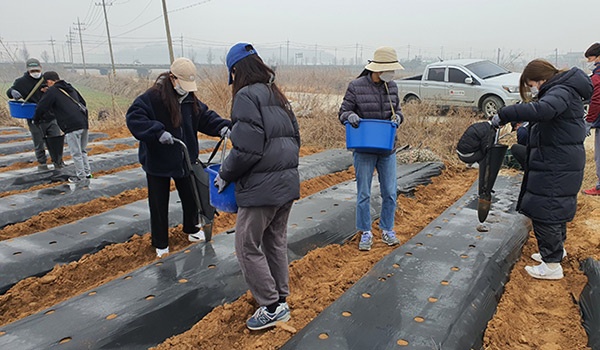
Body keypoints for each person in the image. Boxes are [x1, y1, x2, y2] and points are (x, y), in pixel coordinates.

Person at [215, 43, 300, 330]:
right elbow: (295, 139)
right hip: (286, 184)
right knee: (274, 241)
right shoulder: (277, 94)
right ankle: (282, 299)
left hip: (262, 189)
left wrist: (226, 173)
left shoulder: (245, 96)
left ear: (236, 71)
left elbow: (247, 150)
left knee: (246, 246)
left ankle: (271, 306)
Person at [491, 59, 593, 280]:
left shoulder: (560, 91)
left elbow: (542, 110)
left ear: (541, 80)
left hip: (556, 163)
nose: (533, 89)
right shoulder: (563, 90)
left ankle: (552, 265)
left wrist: (507, 113)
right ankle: (556, 251)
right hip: (559, 160)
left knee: (545, 210)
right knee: (553, 208)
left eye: (532, 85)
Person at [126, 57, 231, 258]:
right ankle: (161, 243)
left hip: (185, 157)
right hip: (158, 160)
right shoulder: (153, 97)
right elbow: (135, 117)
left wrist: (222, 127)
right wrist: (157, 132)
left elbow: (205, 117)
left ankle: (191, 229)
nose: (185, 88)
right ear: (172, 78)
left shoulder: (190, 99)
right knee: (159, 203)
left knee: (191, 197)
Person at [338, 46, 404, 251]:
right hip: (364, 148)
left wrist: (398, 118)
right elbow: (343, 111)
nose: (391, 74)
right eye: (388, 69)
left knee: (390, 192)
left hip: (387, 148)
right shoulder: (356, 86)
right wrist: (350, 117)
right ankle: (365, 232)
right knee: (364, 193)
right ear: (377, 68)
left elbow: (399, 110)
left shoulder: (391, 87)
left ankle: (387, 229)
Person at [6, 58, 64, 170]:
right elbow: (10, 91)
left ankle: (58, 162)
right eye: (32, 71)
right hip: (35, 118)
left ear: (41, 68)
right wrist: (12, 92)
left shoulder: (46, 80)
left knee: (56, 140)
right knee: (39, 143)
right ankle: (42, 164)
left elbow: (59, 88)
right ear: (28, 70)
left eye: (37, 70)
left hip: (51, 116)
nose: (35, 73)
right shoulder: (21, 82)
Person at [33, 71, 90, 183]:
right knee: (83, 151)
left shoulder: (52, 91)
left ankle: (81, 177)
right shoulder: (69, 87)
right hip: (83, 123)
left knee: (76, 153)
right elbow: (83, 102)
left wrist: (36, 119)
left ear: (49, 81)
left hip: (71, 125)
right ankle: (88, 174)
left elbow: (42, 107)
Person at [582, 43, 600, 195]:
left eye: (591, 59)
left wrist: (589, 121)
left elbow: (596, 100)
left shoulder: (598, 76)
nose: (590, 63)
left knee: (599, 156)